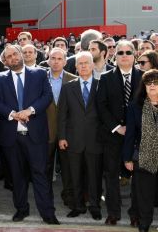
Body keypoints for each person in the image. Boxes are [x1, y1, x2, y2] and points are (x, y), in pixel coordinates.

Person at [0, 45, 58, 225]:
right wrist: (13, 114)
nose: (13, 58)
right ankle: (21, 210)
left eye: (15, 54)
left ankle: (48, 213)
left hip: (35, 135)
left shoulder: (40, 74)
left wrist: (30, 110)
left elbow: (47, 96)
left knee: (40, 175)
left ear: (21, 55)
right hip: (12, 137)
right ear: (4, 61)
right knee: (17, 176)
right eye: (8, 56)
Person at [97, 40, 144, 226]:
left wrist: (133, 129)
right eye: (120, 52)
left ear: (135, 56)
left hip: (138, 137)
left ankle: (136, 213)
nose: (124, 55)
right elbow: (101, 106)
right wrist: (117, 127)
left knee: (138, 178)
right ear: (114, 56)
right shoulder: (106, 78)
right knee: (111, 176)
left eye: (128, 52)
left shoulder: (144, 77)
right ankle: (114, 213)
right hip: (113, 135)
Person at [57, 51, 103, 220]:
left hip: (95, 140)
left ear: (92, 65)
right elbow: (62, 115)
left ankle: (95, 205)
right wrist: (61, 137)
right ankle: (78, 206)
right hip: (73, 139)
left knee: (94, 176)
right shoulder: (68, 87)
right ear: (75, 67)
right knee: (74, 175)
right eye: (80, 63)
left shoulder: (101, 85)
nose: (83, 66)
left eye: (86, 63)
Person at [122, 69, 158, 232]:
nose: (152, 87)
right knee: (144, 195)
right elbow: (130, 134)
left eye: (156, 83)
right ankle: (145, 223)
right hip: (143, 157)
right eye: (148, 83)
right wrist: (127, 158)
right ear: (143, 86)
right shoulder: (135, 106)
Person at [45, 48, 77, 209]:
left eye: (60, 58)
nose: (56, 61)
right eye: (53, 58)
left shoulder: (74, 79)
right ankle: (45, 199)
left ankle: (69, 197)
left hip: (67, 132)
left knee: (68, 168)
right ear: (48, 59)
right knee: (45, 168)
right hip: (46, 131)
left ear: (65, 61)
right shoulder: (39, 78)